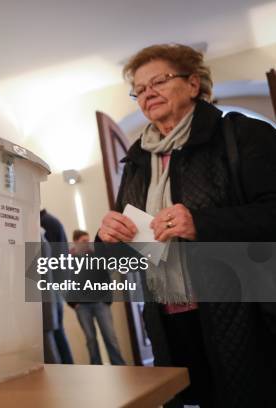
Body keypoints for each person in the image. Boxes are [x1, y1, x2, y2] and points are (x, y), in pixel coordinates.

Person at [97, 43, 276, 407]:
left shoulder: (242, 135)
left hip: (245, 314)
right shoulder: (135, 162)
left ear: (193, 84)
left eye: (158, 81)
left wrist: (201, 223)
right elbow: (124, 256)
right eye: (140, 89)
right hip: (169, 318)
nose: (148, 93)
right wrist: (110, 239)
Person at [68, 230, 125, 365]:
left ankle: (121, 368)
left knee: (110, 338)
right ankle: (96, 370)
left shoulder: (95, 257)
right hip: (82, 306)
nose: (88, 244)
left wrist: (107, 300)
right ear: (75, 242)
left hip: (100, 304)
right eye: (84, 241)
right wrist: (73, 303)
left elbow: (106, 278)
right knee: (91, 340)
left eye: (88, 241)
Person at [40, 209, 74, 364]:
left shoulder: (46, 224)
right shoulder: (51, 222)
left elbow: (58, 261)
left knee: (55, 334)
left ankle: (65, 372)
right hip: (54, 289)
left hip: (51, 289)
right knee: (57, 333)